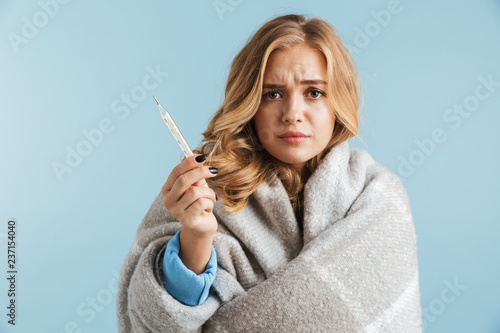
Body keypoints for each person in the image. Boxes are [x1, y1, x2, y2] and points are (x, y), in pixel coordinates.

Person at [116, 13, 422, 332]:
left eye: (314, 92)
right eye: (272, 94)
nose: (292, 114)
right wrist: (196, 236)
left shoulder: (377, 196)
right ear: (249, 103)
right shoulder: (205, 190)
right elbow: (153, 322)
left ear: (338, 103)